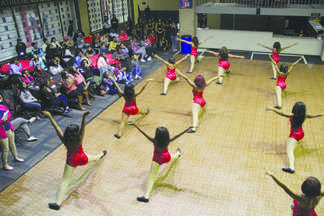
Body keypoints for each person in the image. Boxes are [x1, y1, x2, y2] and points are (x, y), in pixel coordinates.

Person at [44, 111, 107, 210]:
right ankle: (102, 154)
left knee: (65, 182)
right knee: (93, 158)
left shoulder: (65, 140)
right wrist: (84, 117)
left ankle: (58, 203)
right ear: (77, 132)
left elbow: (56, 128)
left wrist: (50, 116)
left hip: (72, 161)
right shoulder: (79, 138)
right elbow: (83, 127)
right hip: (82, 158)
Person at [130, 124, 192, 202]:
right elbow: (177, 135)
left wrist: (135, 126)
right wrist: (187, 129)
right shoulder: (168, 141)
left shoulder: (154, 141)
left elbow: (144, 134)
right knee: (172, 157)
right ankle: (178, 154)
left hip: (157, 159)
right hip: (166, 157)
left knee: (152, 177)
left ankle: (146, 196)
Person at [266, 102, 324, 174]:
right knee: (291, 146)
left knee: (289, 151)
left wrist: (271, 109)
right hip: (300, 133)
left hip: (295, 134)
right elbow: (315, 115)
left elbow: (282, 113)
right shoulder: (304, 115)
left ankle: (291, 168)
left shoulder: (293, 115)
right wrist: (322, 114)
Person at [0, 93, 24, 170]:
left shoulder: (2, 106)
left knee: (12, 144)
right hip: (2, 132)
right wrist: (2, 119)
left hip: (8, 127)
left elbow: (8, 113)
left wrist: (6, 117)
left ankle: (15, 157)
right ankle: (5, 164)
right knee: (5, 149)